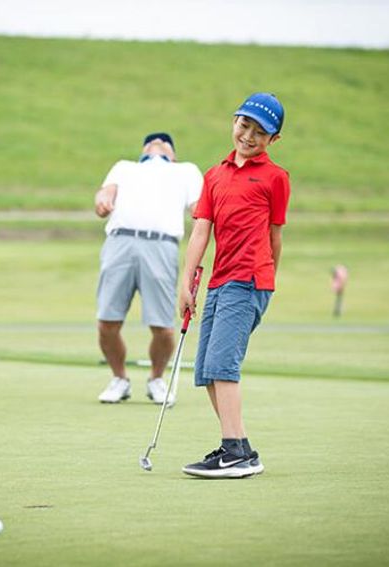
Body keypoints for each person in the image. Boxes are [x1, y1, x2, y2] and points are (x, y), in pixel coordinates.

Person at [178, 93, 290, 478]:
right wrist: (186, 281)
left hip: (249, 281)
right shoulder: (214, 175)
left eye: (260, 133)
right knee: (208, 369)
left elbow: (275, 236)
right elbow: (200, 233)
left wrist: (265, 277)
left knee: (224, 366)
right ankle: (240, 447)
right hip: (219, 281)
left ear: (272, 140)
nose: (249, 136)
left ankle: (234, 453)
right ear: (234, 121)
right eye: (245, 126)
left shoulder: (276, 178)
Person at [94, 132, 203, 405]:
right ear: (142, 150)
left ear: (173, 153)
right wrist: (103, 201)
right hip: (120, 242)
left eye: (164, 142)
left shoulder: (185, 171)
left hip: (161, 245)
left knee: (163, 326)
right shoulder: (125, 167)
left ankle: (156, 379)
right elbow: (105, 193)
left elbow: (200, 210)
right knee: (107, 322)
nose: (157, 143)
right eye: (151, 141)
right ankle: (119, 379)